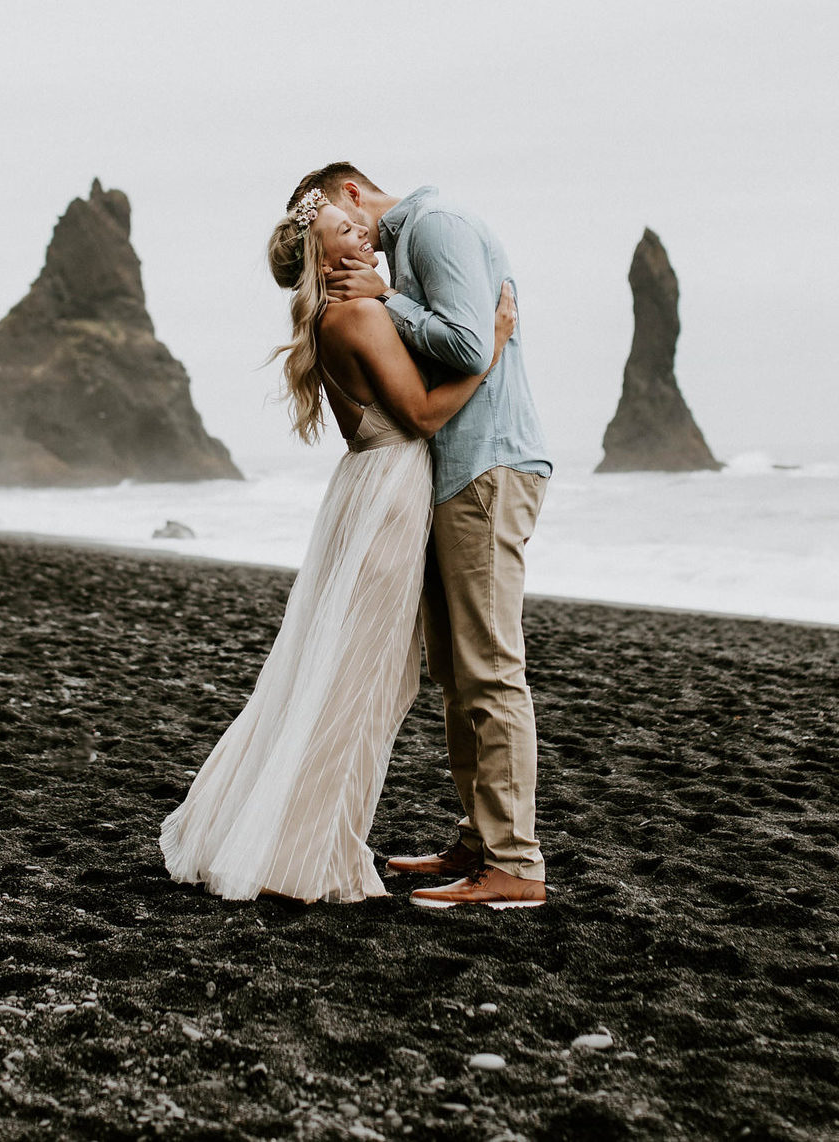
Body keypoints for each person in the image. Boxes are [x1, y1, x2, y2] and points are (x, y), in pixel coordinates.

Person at [158, 189, 518, 904]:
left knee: (343, 671)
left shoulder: (332, 316)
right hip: (390, 491)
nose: (362, 229)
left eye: (354, 222)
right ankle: (309, 854)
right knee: (363, 679)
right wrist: (495, 344)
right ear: (325, 262)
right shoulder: (358, 314)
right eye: (343, 230)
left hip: (366, 488)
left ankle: (292, 838)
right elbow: (422, 415)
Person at [296, 164, 555, 910]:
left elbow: (471, 347)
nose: (348, 244)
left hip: (486, 466)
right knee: (457, 670)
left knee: (489, 668)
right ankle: (480, 841)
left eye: (337, 221)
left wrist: (388, 300)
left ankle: (514, 862)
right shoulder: (405, 249)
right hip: (451, 473)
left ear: (351, 192)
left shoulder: (435, 227)